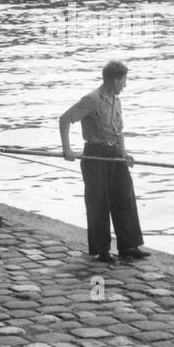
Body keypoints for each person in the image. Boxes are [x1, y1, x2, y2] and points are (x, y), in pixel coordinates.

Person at [59, 60, 149, 263]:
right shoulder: (92, 99)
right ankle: (102, 251)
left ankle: (128, 246)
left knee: (125, 197)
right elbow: (64, 119)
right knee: (99, 202)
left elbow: (119, 131)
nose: (125, 85)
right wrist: (67, 149)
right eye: (124, 81)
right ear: (115, 80)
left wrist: (124, 154)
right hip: (95, 154)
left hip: (115, 153)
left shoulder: (116, 99)